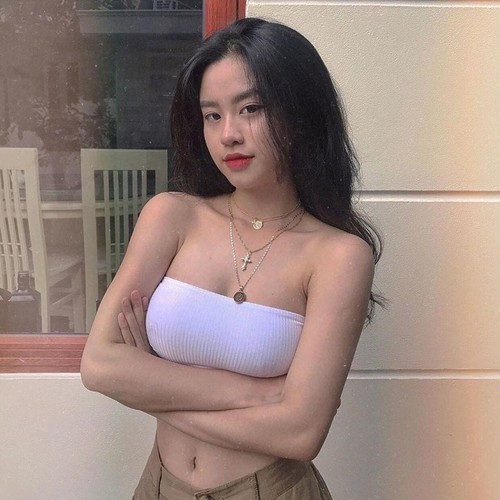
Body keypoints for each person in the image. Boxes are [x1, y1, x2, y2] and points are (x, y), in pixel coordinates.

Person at [81, 17, 383, 500]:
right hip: (159, 486)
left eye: (250, 109)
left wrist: (150, 390)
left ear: (300, 113)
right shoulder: (171, 216)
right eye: (212, 115)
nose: (229, 135)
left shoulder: (339, 255)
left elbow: (300, 434)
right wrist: (258, 393)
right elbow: (99, 365)